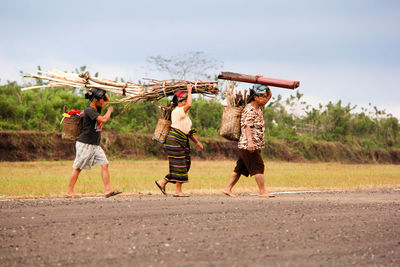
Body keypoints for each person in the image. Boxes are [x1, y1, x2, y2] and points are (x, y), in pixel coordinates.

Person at [66, 88, 122, 198]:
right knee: (78, 168)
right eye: (100, 99)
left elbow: (107, 100)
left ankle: (108, 190)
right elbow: (104, 120)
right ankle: (69, 191)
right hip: (85, 144)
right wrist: (109, 111)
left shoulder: (97, 108)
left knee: (105, 164)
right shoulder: (89, 110)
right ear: (95, 100)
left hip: (95, 145)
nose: (103, 101)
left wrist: (101, 90)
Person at [222, 83, 275, 198]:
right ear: (256, 97)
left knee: (240, 168)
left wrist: (263, 82)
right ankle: (262, 191)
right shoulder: (250, 109)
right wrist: (250, 142)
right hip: (248, 145)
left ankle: (227, 188)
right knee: (259, 166)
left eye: (265, 96)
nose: (265, 99)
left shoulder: (258, 107)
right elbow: (247, 126)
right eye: (263, 96)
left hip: (249, 144)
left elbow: (270, 95)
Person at [155, 84, 204, 197]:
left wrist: (197, 142)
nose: (186, 102)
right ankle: (178, 191)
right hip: (175, 139)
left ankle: (163, 182)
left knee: (184, 164)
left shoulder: (185, 115)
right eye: (185, 100)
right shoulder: (177, 111)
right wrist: (189, 91)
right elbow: (190, 104)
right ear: (179, 102)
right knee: (180, 165)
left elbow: (188, 131)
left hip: (182, 140)